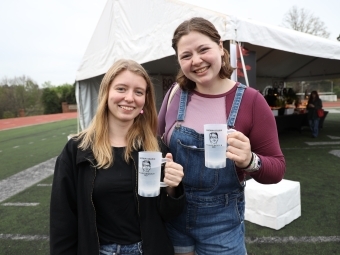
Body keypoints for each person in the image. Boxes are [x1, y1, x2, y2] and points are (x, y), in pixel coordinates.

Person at [158, 17, 286, 255]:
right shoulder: (174, 94)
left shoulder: (251, 101)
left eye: (203, 49)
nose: (196, 60)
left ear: (220, 48)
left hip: (222, 224)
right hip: (174, 216)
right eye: (186, 55)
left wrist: (250, 161)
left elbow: (277, 169)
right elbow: (155, 147)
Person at [50, 59, 185, 255]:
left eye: (138, 92)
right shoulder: (77, 149)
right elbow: (62, 218)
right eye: (121, 89)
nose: (130, 98)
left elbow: (169, 214)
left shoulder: (155, 148)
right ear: (106, 93)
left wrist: (173, 189)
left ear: (144, 101)